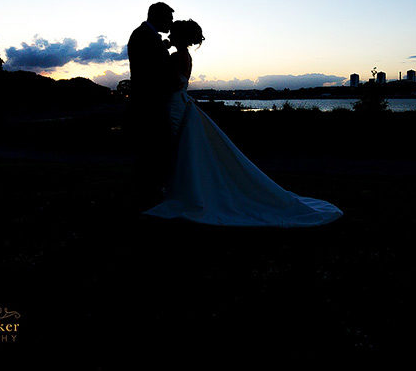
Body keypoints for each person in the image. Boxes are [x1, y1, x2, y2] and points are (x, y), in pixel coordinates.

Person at [144, 19, 343, 227]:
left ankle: (180, 189)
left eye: (173, 33)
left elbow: (172, 82)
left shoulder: (177, 57)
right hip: (179, 103)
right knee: (182, 149)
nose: (169, 36)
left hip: (175, 104)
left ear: (180, 37)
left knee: (178, 147)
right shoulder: (182, 56)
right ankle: (180, 187)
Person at [126, 2, 180, 209]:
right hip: (149, 103)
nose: (171, 22)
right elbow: (152, 69)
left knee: (153, 151)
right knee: (154, 150)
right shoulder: (144, 36)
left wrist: (165, 47)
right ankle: (149, 196)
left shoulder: (146, 36)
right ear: (158, 17)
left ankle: (149, 193)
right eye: (169, 18)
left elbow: (153, 57)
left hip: (150, 101)